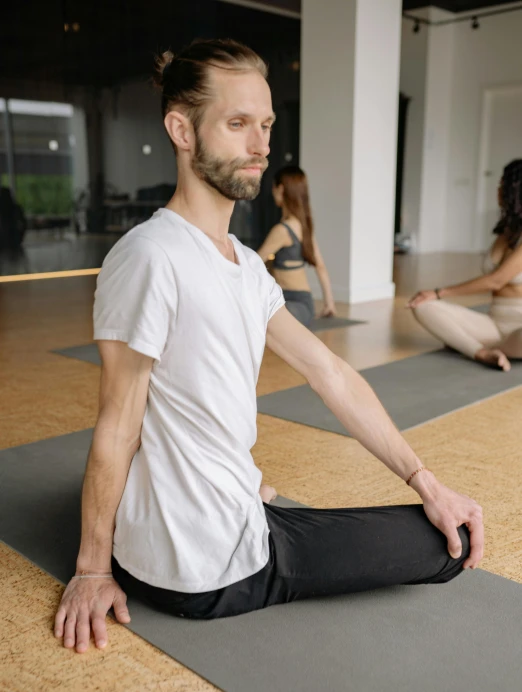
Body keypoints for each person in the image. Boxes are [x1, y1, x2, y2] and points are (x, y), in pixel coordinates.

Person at [54, 39, 483, 653]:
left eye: (266, 126)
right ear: (181, 129)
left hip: (201, 529)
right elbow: (117, 423)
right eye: (237, 125)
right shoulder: (150, 256)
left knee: (424, 511)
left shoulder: (246, 268)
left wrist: (427, 482)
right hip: (212, 568)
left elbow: (329, 371)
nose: (260, 147)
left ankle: (241, 497)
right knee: (450, 546)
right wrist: (92, 570)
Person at [408, 159, 522, 371]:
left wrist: (439, 292)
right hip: (494, 324)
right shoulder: (505, 232)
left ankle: (465, 342)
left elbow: (496, 281)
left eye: (502, 184)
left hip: (519, 330)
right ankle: (481, 352)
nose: (497, 189)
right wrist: (433, 297)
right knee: (422, 305)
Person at [256, 166, 337, 327]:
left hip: (292, 304)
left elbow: (254, 262)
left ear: (280, 189)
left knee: (262, 315)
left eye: (273, 187)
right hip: (303, 304)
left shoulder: (282, 230)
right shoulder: (303, 226)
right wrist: (330, 303)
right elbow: (320, 266)